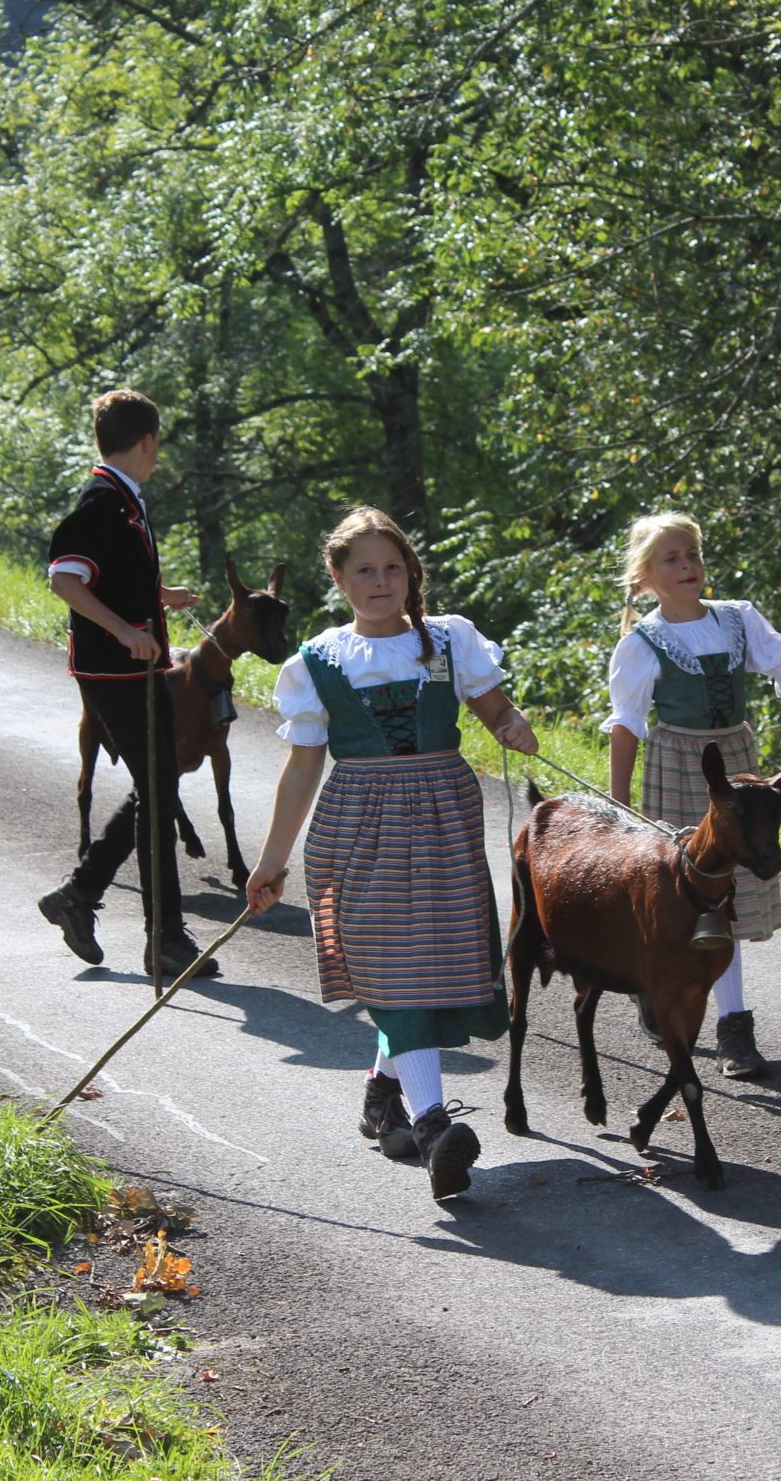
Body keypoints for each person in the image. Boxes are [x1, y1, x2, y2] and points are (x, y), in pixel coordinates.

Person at [246, 507, 540, 1200]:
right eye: (364, 570)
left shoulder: (449, 641)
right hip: (359, 829)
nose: (380, 581)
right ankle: (434, 1126)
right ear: (338, 578)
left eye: (392, 567)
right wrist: (272, 861)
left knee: (426, 966)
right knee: (394, 964)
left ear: (410, 572)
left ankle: (384, 1097)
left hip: (444, 824)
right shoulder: (317, 662)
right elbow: (301, 769)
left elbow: (495, 709)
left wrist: (513, 723)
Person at [605, 512, 781, 1080]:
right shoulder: (642, 644)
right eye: (672, 559)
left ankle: (733, 1027)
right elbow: (627, 724)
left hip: (735, 763)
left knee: (727, 897)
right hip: (678, 767)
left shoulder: (738, 619)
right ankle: (654, 985)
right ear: (645, 577)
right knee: (686, 898)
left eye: (692, 555)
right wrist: (618, 803)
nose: (687, 566)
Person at [36, 388, 211, 983]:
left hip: (132, 669)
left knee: (156, 787)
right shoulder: (103, 501)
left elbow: (110, 573)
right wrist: (125, 630)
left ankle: (82, 897)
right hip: (116, 670)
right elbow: (64, 579)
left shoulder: (123, 499)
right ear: (148, 442)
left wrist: (160, 596)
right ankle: (163, 938)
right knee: (158, 791)